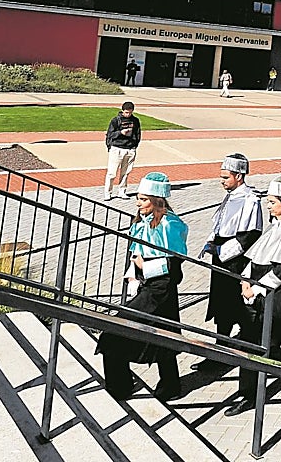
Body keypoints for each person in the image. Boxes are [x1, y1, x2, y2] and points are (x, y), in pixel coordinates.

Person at [225, 176, 281, 415]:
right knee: (248, 343)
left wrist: (256, 288)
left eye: (272, 202)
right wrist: (245, 279)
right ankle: (248, 394)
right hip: (257, 291)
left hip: (277, 295)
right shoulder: (276, 225)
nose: (268, 205)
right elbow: (255, 259)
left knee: (272, 347)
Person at [99, 172, 187, 401]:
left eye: (144, 199)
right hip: (146, 287)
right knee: (162, 337)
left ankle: (125, 387)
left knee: (120, 333)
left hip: (160, 290)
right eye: (138, 198)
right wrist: (134, 273)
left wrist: (144, 266)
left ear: (158, 200)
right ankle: (164, 385)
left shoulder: (170, 225)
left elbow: (174, 265)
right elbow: (134, 254)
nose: (138, 203)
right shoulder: (140, 221)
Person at [198, 154, 263, 369]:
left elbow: (250, 234)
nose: (222, 181)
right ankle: (220, 351)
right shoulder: (230, 196)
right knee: (222, 307)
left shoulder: (250, 200)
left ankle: (246, 349)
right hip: (221, 259)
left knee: (238, 308)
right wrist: (210, 242)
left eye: (226, 177)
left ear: (239, 176)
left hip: (235, 262)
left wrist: (222, 250)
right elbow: (220, 224)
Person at [104, 101, 142, 201]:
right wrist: (120, 132)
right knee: (112, 173)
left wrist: (134, 146)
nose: (128, 114)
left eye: (129, 112)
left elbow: (138, 134)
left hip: (130, 149)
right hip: (117, 148)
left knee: (125, 172)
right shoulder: (116, 120)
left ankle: (122, 191)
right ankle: (108, 192)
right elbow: (110, 134)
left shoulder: (135, 121)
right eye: (126, 112)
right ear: (122, 111)